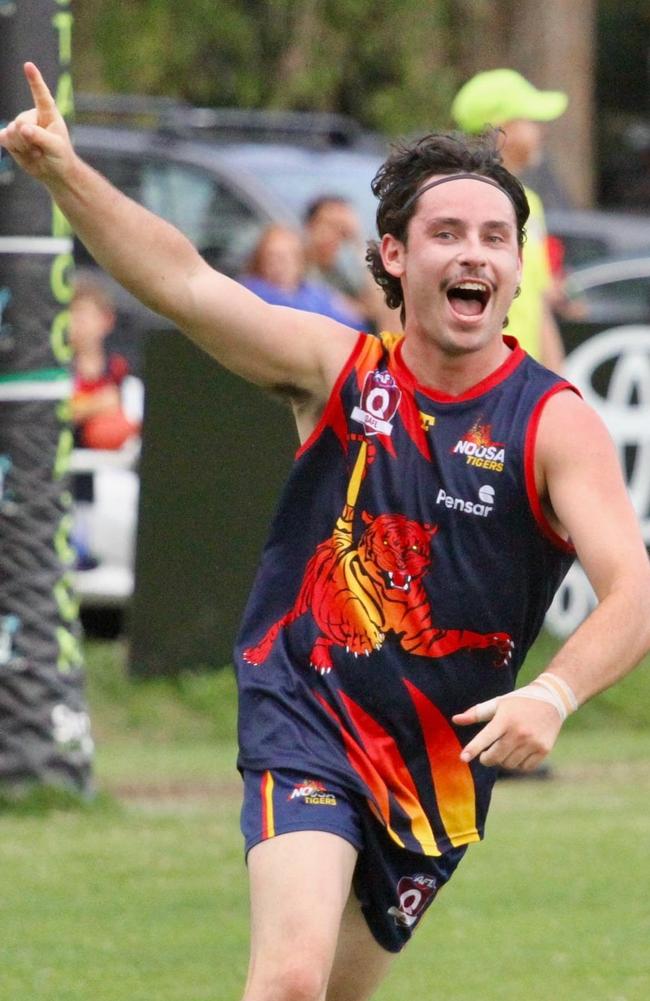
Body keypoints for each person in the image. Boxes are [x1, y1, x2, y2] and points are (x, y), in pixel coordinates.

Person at [4, 64, 649, 1001]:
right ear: (392, 255)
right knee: (290, 984)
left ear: (515, 264)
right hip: (304, 716)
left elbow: (633, 588)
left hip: (436, 766)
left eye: (495, 237)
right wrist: (64, 172)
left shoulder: (553, 422)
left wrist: (551, 694)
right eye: (446, 234)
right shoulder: (341, 372)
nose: (474, 254)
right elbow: (185, 283)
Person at [451, 68, 567, 372]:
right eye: (530, 121)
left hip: (524, 382)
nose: (540, 131)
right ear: (504, 129)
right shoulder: (457, 200)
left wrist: (557, 383)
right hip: (476, 381)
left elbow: (539, 303)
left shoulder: (531, 203)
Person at [239, 223, 366, 329]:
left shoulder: (314, 292)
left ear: (300, 260)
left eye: (287, 257)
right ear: (260, 260)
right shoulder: (251, 292)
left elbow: (356, 321)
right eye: (271, 257)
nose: (279, 265)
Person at [304, 194, 401, 333]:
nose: (335, 235)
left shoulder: (342, 270)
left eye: (342, 229)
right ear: (310, 226)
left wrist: (357, 242)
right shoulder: (296, 267)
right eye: (329, 225)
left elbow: (378, 308)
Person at [69, 272, 140, 450]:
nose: (76, 323)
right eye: (69, 315)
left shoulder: (121, 367)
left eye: (82, 315)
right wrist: (95, 405)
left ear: (106, 320)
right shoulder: (56, 367)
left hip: (112, 466)